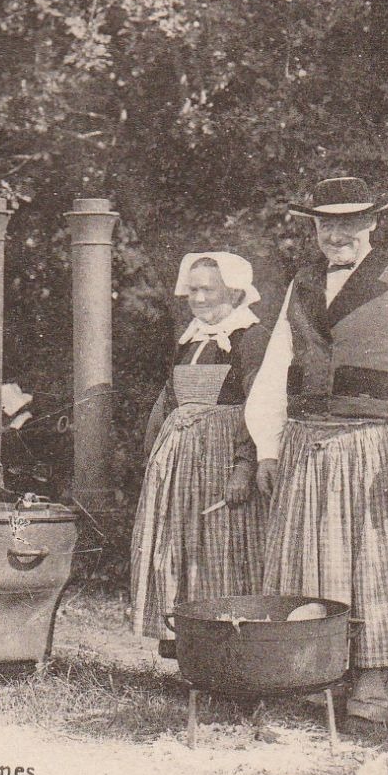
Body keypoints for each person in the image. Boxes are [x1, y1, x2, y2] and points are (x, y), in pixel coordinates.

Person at [244, 177, 388, 728]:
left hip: (370, 445)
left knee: (375, 564)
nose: (337, 234)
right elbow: (275, 368)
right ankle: (311, 676)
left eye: (349, 223)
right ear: (314, 228)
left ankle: (374, 685)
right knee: (305, 562)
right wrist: (267, 446)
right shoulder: (300, 284)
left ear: (372, 224)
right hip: (306, 443)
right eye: (326, 223)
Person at [129, 252, 270, 651]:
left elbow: (258, 403)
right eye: (193, 290)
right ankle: (184, 639)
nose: (199, 298)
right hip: (181, 465)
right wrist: (154, 453)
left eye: (209, 289)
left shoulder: (250, 337)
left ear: (235, 291)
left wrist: (244, 466)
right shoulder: (190, 338)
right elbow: (169, 400)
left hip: (221, 461)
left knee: (218, 548)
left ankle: (224, 645)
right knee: (180, 544)